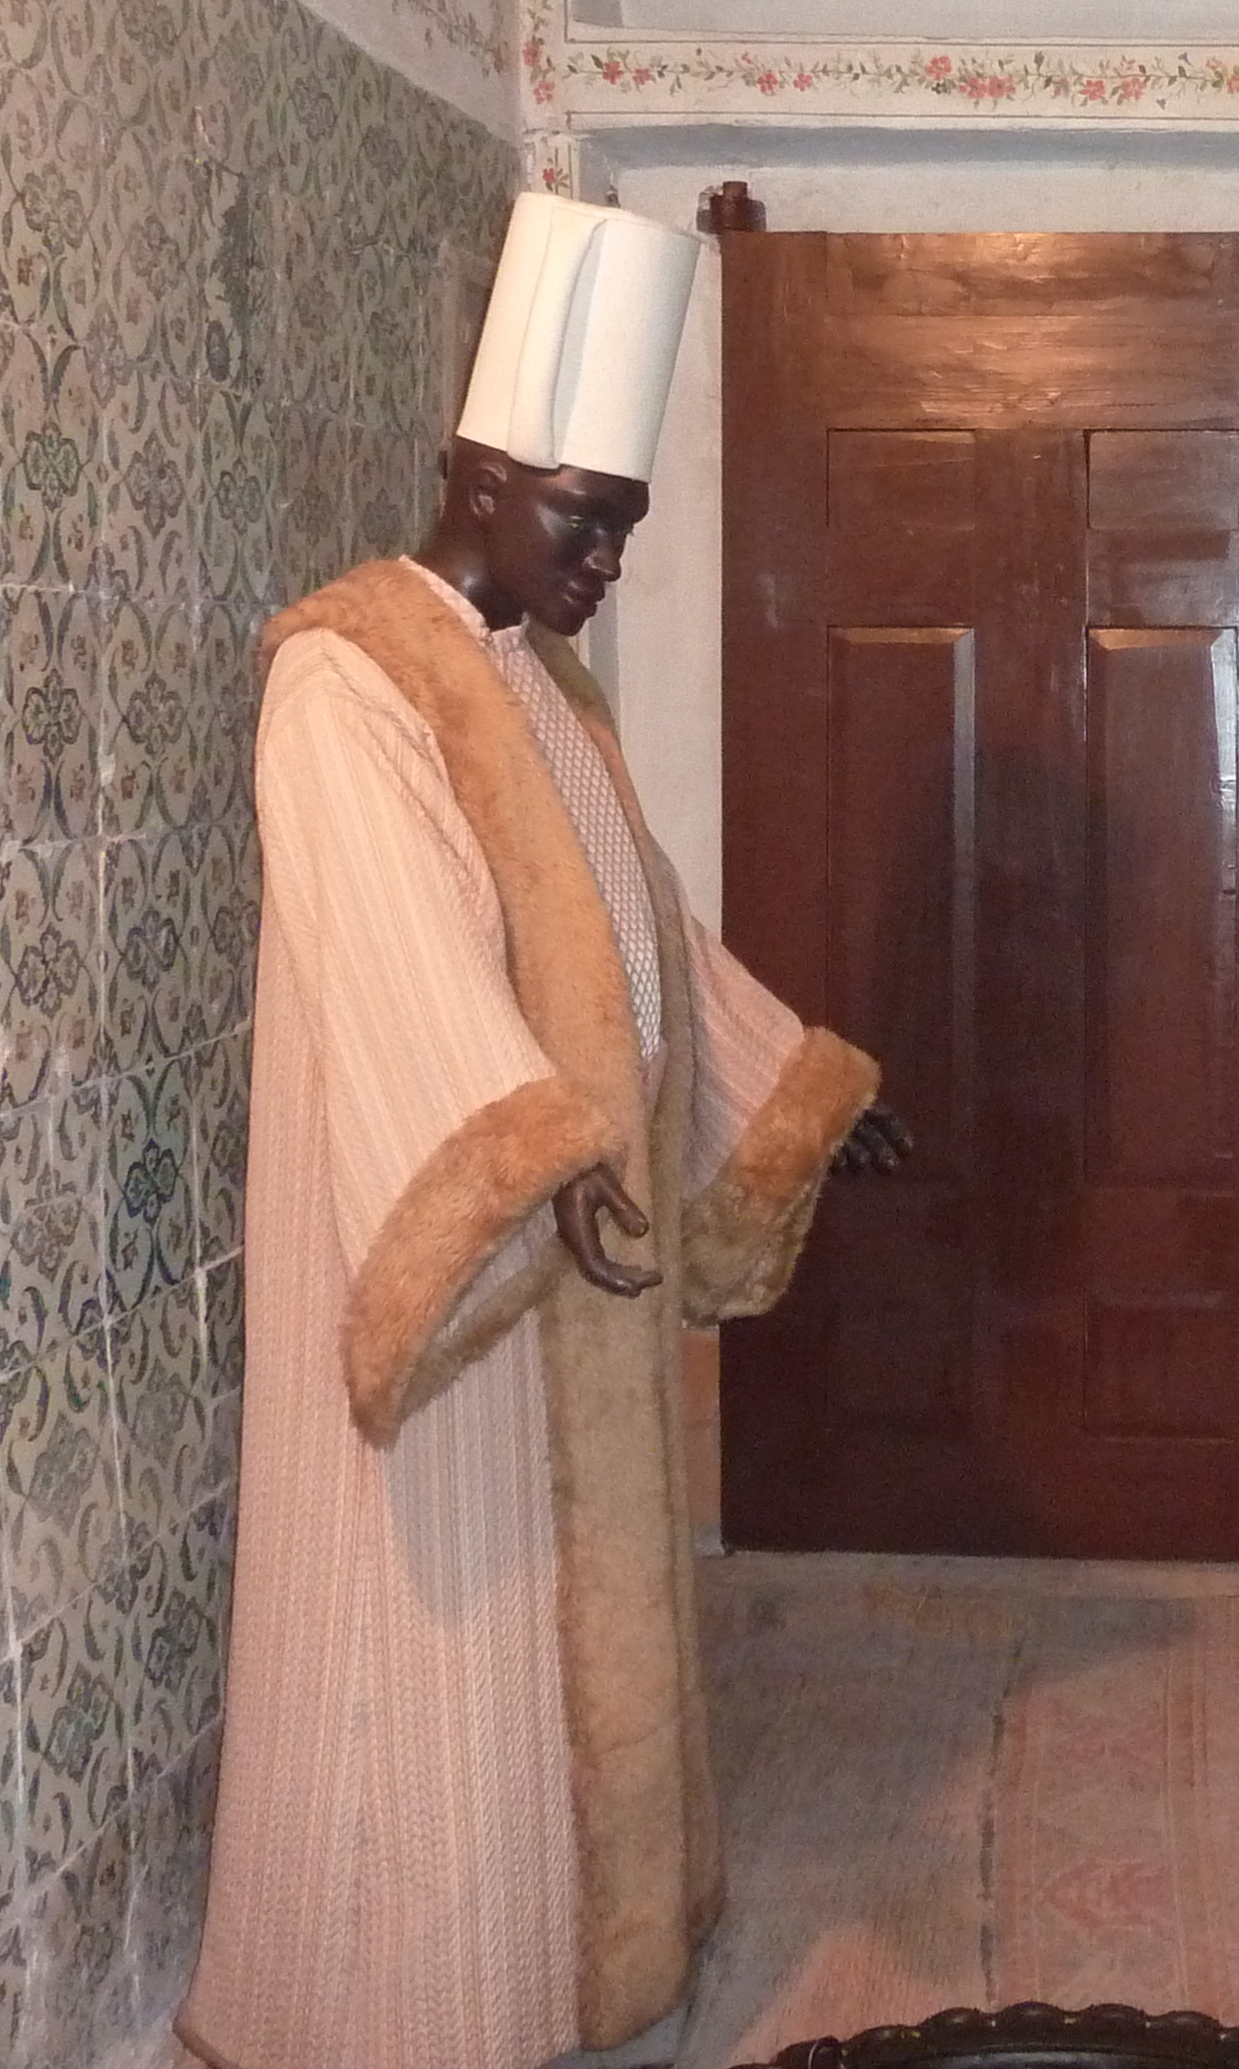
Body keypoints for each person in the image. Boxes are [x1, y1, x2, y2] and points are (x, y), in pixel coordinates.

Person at [183, 195, 910, 2069]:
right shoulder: (346, 679)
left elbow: (639, 928)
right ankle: (396, 2012)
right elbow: (395, 961)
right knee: (434, 1666)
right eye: (583, 519)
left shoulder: (540, 682)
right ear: (480, 471)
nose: (604, 561)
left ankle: (576, 1964)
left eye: (624, 527)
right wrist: (537, 1160)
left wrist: (789, 1096)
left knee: (562, 1663)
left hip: (579, 1257)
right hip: (463, 1271)